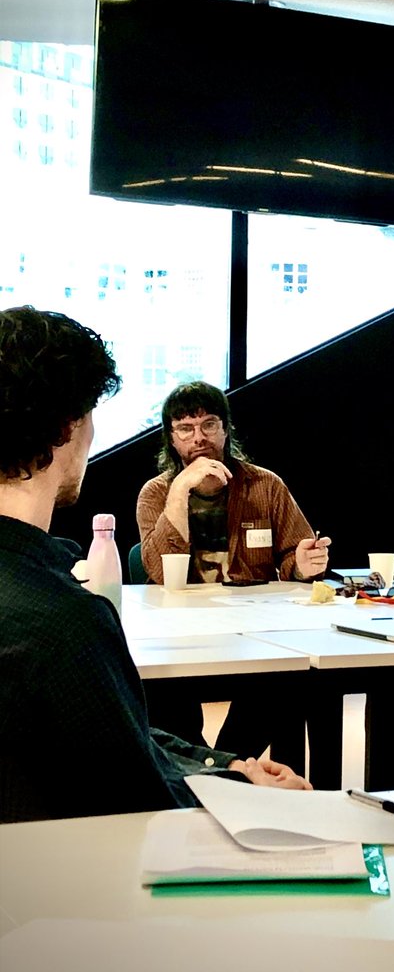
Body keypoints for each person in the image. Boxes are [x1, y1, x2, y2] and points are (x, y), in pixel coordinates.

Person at [0, 306, 311, 823]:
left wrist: (228, 767)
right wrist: (248, 795)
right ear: (66, 427)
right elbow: (143, 800)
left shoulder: (54, 606)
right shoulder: (67, 624)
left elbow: (120, 736)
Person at [136, 381, 331, 758]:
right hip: (178, 634)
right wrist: (180, 491)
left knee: (290, 677)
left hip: (251, 629)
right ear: (171, 439)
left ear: (225, 430)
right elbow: (160, 572)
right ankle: (209, 767)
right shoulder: (155, 493)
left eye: (209, 424)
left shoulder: (265, 485)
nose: (199, 438)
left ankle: (226, 763)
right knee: (159, 692)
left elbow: (294, 554)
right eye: (185, 429)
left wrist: (304, 565)